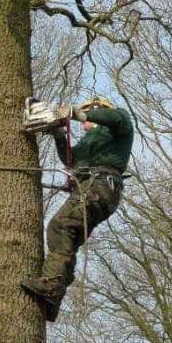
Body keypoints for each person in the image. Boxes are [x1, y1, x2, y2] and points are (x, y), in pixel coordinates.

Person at [21, 97, 134, 321]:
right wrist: (58, 135)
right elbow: (72, 160)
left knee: (60, 226)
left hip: (100, 186)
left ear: (96, 111)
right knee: (68, 238)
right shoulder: (91, 141)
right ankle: (54, 298)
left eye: (87, 115)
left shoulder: (118, 125)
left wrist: (75, 112)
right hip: (98, 190)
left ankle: (51, 284)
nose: (83, 123)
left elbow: (115, 117)